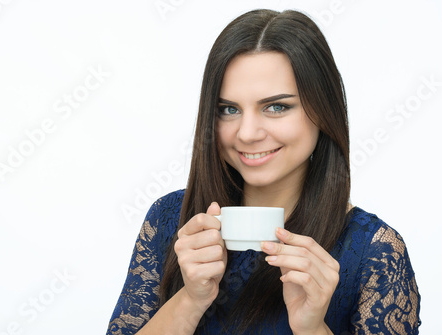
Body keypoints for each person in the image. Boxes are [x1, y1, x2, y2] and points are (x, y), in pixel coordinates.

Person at [106, 9, 421, 335]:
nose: (247, 133)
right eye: (229, 109)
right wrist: (189, 300)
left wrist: (311, 327)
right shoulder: (170, 219)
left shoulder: (374, 251)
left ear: (322, 111)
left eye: (276, 107)